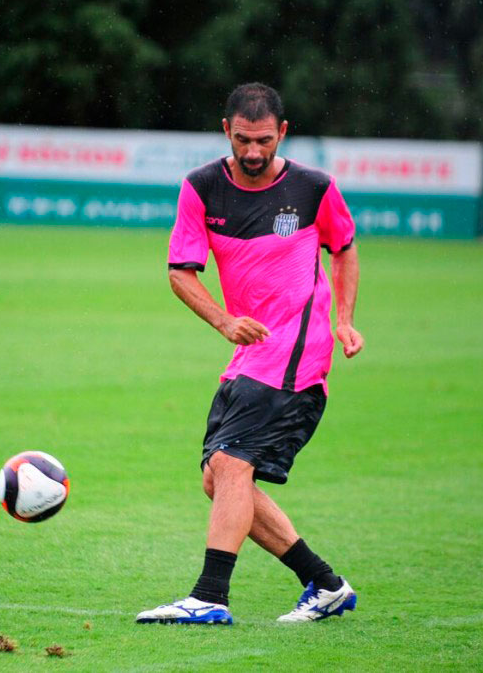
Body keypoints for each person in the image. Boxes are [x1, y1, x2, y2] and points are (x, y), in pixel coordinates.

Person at [136, 83, 364, 625]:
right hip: (251, 352)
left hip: (298, 353)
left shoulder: (313, 187)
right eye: (243, 140)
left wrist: (345, 320)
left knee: (233, 465)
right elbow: (179, 272)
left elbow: (345, 248)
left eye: (264, 140)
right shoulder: (201, 188)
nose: (254, 152)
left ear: (282, 132)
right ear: (226, 131)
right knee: (219, 477)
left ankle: (210, 596)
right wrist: (222, 320)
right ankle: (325, 584)